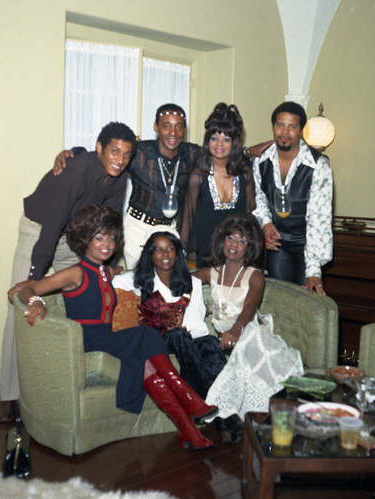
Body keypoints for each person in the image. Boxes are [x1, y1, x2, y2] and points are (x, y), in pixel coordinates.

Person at [17, 204, 217, 450]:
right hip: (86, 337)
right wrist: (35, 302)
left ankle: (188, 431)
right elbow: (26, 289)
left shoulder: (105, 271)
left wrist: (115, 270)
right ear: (84, 239)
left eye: (111, 238)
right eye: (99, 237)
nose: (107, 244)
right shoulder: (74, 273)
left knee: (146, 364)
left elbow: (117, 272)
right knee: (145, 333)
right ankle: (189, 397)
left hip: (108, 337)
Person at [0, 122, 136, 424]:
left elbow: (109, 225)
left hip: (73, 235)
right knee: (19, 304)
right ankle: (9, 397)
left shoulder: (119, 178)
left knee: (86, 298)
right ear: (99, 148)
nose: (120, 160)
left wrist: (109, 266)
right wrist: (34, 276)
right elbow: (52, 225)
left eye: (126, 154)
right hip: (40, 230)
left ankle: (63, 385)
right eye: (114, 151)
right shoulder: (75, 170)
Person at [53, 103, 270, 269]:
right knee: (141, 280)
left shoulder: (191, 153)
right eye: (166, 126)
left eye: (178, 127)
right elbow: (108, 155)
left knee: (167, 285)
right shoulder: (139, 152)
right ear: (156, 127)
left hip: (168, 227)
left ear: (184, 129)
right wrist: (72, 153)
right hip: (138, 227)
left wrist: (247, 151)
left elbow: (220, 151)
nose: (172, 133)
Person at [194, 214, 304, 423]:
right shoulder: (211, 272)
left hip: (251, 335)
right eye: (230, 238)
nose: (234, 244)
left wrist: (236, 330)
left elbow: (250, 307)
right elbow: (182, 284)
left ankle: (285, 415)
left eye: (242, 240)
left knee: (280, 380)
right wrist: (198, 304)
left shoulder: (254, 275)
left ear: (250, 246)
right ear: (222, 240)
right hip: (229, 342)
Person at [113, 231, 227, 398]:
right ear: (150, 255)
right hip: (155, 344)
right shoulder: (139, 279)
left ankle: (224, 409)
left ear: (177, 253)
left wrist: (191, 339)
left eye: (170, 249)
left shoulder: (192, 282)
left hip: (184, 340)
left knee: (209, 342)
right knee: (179, 334)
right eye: (158, 249)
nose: (165, 254)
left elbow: (196, 325)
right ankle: (196, 400)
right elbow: (108, 282)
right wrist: (112, 269)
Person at [252, 101, 333, 295]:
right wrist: (265, 224)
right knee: (279, 302)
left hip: (307, 242)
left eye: (292, 126)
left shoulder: (318, 165)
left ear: (301, 130)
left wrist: (313, 269)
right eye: (280, 125)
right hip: (278, 244)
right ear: (273, 127)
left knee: (305, 305)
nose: (285, 132)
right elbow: (259, 198)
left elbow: (319, 218)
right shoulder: (261, 161)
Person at [180, 103, 256, 268]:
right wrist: (181, 255)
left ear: (234, 142)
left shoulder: (245, 174)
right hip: (208, 255)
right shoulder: (198, 177)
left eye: (226, 139)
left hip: (238, 254)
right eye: (214, 138)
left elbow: (250, 216)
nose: (219, 144)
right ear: (208, 141)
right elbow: (188, 218)